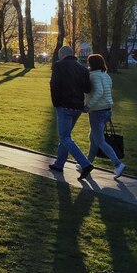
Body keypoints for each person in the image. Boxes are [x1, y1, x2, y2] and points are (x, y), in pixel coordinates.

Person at [49, 45, 95, 179]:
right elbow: (87, 89)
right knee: (66, 136)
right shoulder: (82, 68)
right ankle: (59, 164)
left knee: (64, 137)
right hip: (77, 106)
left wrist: (56, 103)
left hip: (64, 105)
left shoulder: (59, 66)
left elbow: (54, 85)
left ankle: (85, 164)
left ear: (62, 55)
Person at [77, 54, 126, 178]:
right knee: (93, 138)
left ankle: (118, 164)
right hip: (107, 109)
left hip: (97, 111)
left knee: (99, 140)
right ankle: (86, 164)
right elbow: (106, 91)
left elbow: (99, 92)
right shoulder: (106, 75)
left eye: (88, 62)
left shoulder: (93, 76)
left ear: (91, 64)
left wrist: (88, 105)